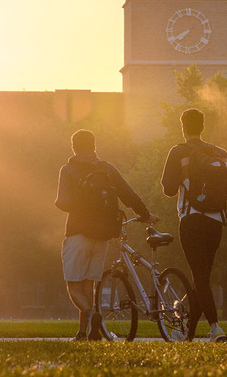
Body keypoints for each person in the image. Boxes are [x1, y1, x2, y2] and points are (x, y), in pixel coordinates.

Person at [55, 129, 158, 341]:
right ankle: (83, 333)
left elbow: (63, 202)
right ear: (94, 145)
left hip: (77, 234)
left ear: (74, 147)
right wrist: (145, 214)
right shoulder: (107, 169)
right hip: (103, 235)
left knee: (74, 286)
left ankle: (93, 316)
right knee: (89, 286)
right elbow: (128, 194)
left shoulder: (68, 170)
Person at [161, 108, 227, 342]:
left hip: (191, 220)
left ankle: (215, 328)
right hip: (216, 223)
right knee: (202, 279)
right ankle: (186, 334)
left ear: (183, 127)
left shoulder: (178, 151)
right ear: (202, 126)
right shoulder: (220, 153)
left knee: (200, 276)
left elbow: (168, 189)